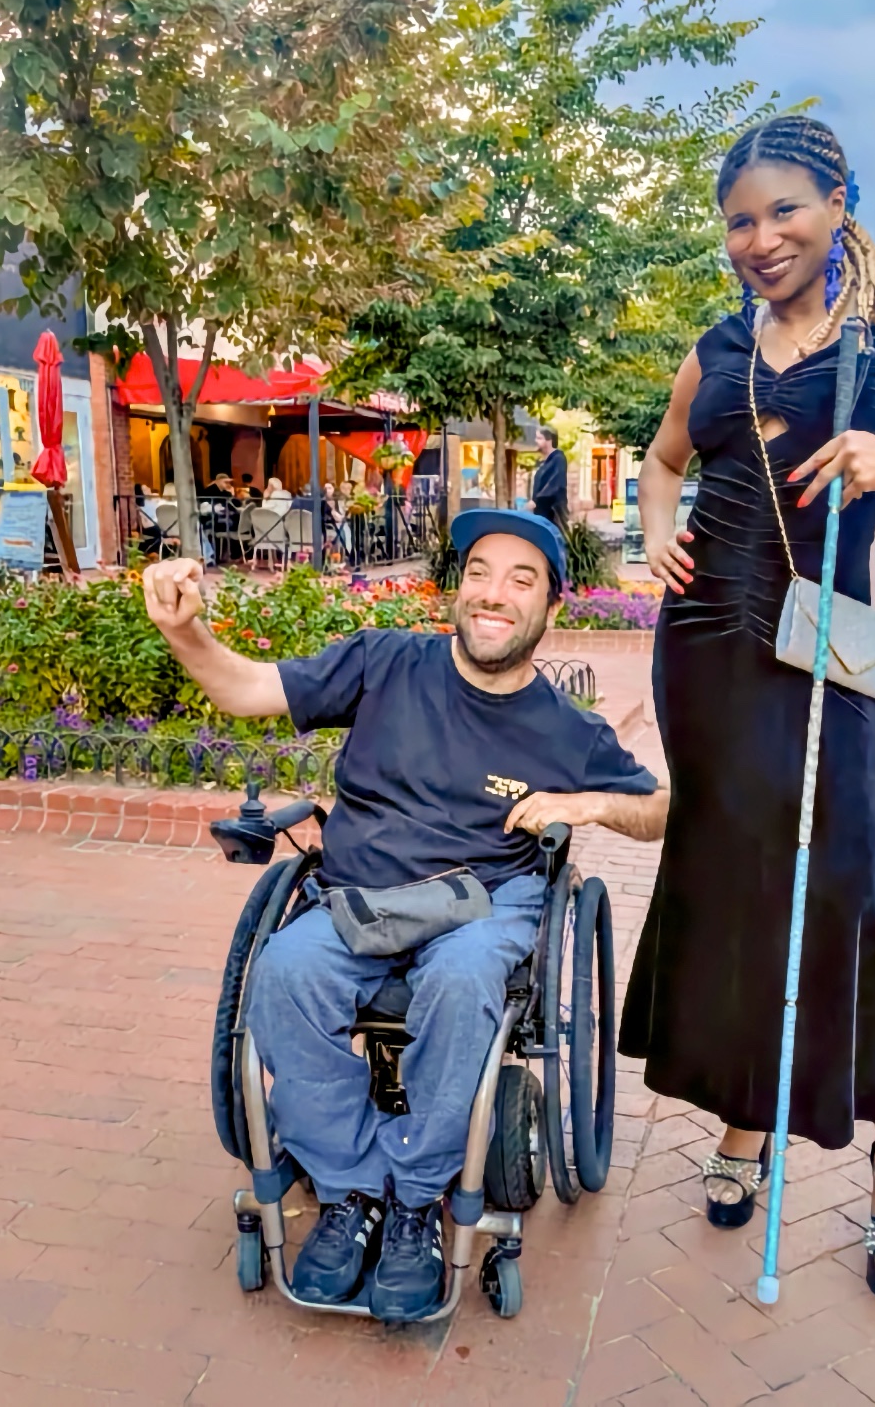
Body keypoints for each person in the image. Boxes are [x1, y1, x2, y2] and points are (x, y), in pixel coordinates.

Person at [618, 115, 875, 1304]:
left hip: (821, 652)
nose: (760, 238)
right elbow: (663, 459)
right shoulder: (719, 346)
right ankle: (745, 1119)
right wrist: (656, 538)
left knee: (841, 886)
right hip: (705, 648)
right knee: (731, 884)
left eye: (784, 211)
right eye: (739, 220)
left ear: (839, 200)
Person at [141, 510, 667, 1319]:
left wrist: (586, 801)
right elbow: (247, 687)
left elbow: (660, 809)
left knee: (460, 980)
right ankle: (352, 1190)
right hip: (359, 898)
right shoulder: (385, 661)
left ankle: (417, 1198)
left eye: (521, 580)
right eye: (481, 572)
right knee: (284, 968)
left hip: (481, 908)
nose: (495, 594)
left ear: (551, 609)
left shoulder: (569, 732)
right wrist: (186, 633)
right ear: (458, 590)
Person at [527, 425, 569, 529]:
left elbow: (555, 484)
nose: (536, 441)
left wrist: (535, 500)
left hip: (553, 512)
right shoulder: (543, 463)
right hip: (542, 512)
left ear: (549, 440)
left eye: (539, 438)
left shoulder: (558, 459)